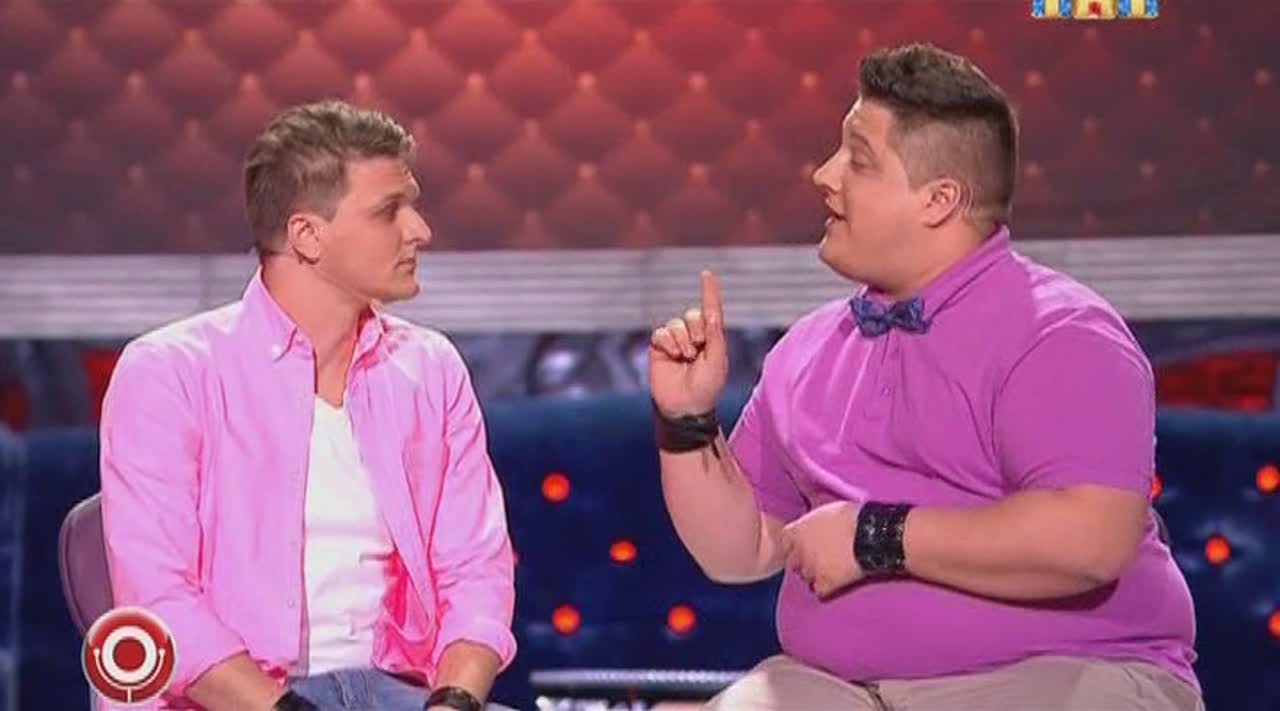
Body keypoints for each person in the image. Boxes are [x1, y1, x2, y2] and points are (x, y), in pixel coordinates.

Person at [648, 43, 1202, 710]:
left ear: (939, 200)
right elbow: (741, 551)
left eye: (858, 159)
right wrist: (686, 421)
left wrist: (875, 536)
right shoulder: (807, 349)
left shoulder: (1060, 334)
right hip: (838, 686)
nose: (824, 175)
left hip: (1067, 669)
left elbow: (1090, 541)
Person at [99, 100, 516, 711]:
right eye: (388, 211)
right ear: (307, 235)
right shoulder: (168, 374)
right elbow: (160, 600)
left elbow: (476, 572)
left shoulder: (430, 369)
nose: (419, 230)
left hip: (397, 692)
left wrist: (454, 701)